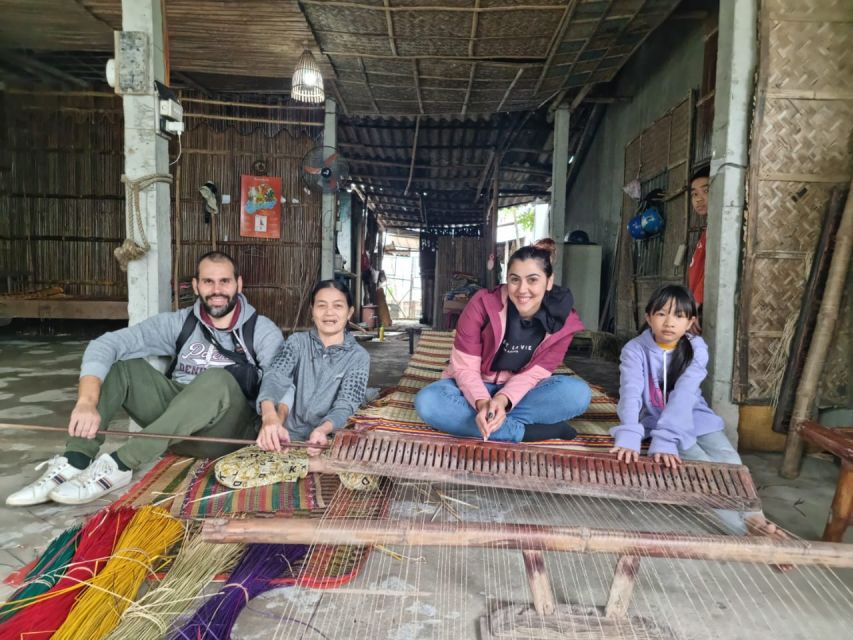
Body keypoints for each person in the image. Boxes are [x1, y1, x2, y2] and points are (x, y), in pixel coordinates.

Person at [6, 251, 284, 507]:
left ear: (239, 284)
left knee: (217, 380)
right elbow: (106, 345)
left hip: (224, 434)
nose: (217, 290)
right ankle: (75, 459)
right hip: (173, 431)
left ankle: (121, 464)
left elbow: (279, 379)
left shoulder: (260, 330)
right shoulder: (179, 323)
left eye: (224, 281)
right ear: (196, 286)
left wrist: (272, 419)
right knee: (123, 365)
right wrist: (86, 402)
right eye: (208, 282)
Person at [608, 285, 780, 536]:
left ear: (690, 322)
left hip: (694, 415)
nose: (669, 322)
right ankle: (744, 531)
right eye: (661, 314)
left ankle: (756, 519)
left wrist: (667, 438)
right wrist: (631, 435)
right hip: (657, 419)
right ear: (648, 317)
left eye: (679, 316)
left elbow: (685, 394)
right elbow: (631, 393)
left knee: (730, 461)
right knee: (703, 467)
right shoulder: (634, 349)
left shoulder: (697, 348)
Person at [415, 239, 591, 443]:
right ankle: (529, 432)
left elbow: (534, 375)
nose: (522, 290)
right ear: (507, 279)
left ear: (549, 281)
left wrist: (502, 400)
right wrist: (482, 403)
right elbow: (465, 369)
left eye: (533, 280)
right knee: (428, 402)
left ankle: (490, 423)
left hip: (522, 393)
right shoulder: (482, 304)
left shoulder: (564, 322)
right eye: (515, 279)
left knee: (577, 394)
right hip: (472, 388)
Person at [255, 280, 370, 456]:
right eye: (321, 305)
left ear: (350, 312)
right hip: (285, 434)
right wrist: (270, 417)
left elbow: (346, 404)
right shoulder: (297, 343)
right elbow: (275, 376)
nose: (329, 312)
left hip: (327, 439)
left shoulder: (358, 357)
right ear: (312, 311)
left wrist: (322, 430)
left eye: (338, 306)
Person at [687, 167, 710, 333]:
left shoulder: (720, 229)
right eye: (694, 194)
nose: (698, 199)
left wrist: (695, 303)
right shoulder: (707, 230)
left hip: (705, 308)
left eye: (706, 191)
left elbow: (713, 270)